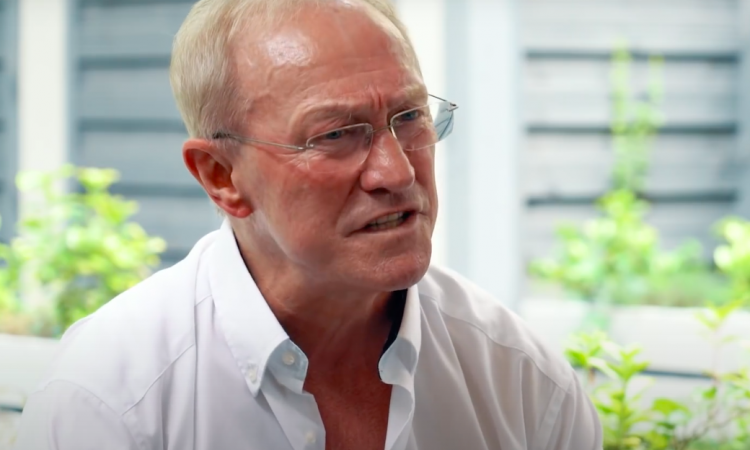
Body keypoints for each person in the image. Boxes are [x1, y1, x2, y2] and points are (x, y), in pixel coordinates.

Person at [14, 0, 602, 449]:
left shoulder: (522, 382)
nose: (397, 171)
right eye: (335, 134)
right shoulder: (108, 403)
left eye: (409, 117)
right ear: (222, 176)